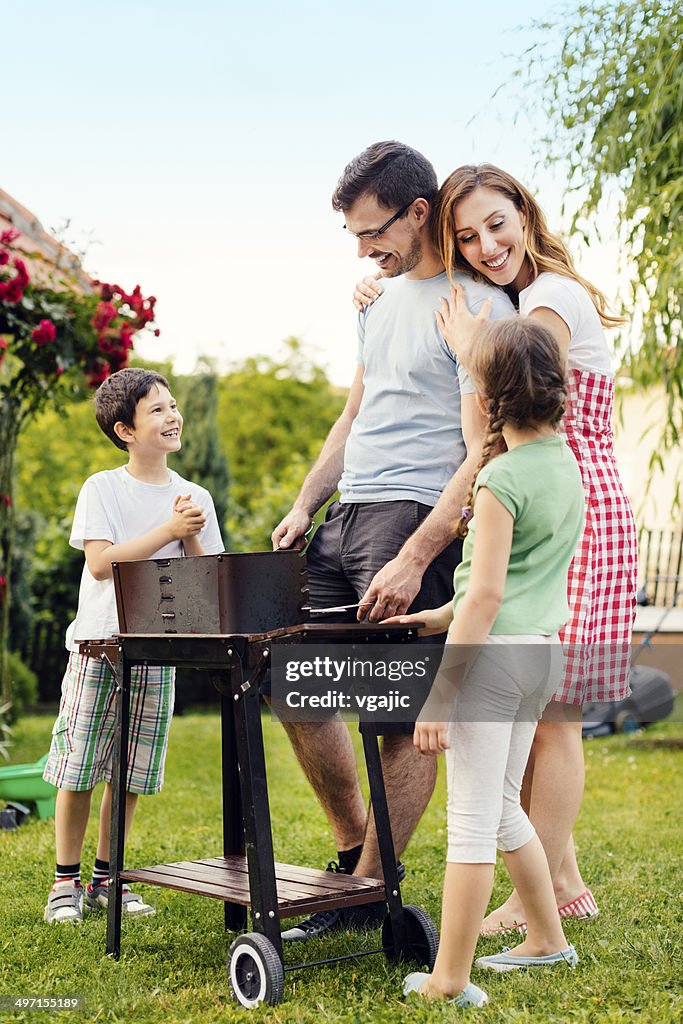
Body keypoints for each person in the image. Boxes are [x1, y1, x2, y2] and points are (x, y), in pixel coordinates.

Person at [271, 141, 514, 941]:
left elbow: (484, 449)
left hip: (412, 516)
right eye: (352, 237)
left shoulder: (478, 307)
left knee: (397, 711)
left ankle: (375, 886)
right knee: (291, 683)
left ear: (417, 213)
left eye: (372, 231)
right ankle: (351, 859)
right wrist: (308, 502)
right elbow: (355, 414)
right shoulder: (375, 302)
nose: (362, 250)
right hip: (346, 515)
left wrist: (418, 553)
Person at [432, 164, 638, 933]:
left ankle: (532, 901)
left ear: (524, 211)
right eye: (466, 237)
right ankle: (561, 881)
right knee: (536, 707)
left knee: (553, 714)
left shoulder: (548, 299)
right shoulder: (521, 300)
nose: (486, 246)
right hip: (556, 506)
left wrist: (464, 351)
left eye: (496, 222)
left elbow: (494, 412)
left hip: (568, 509)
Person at [391, 315, 584, 1008]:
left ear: (488, 394)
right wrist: (440, 613)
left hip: (492, 662)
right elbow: (518, 578)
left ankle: (447, 980)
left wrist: (442, 694)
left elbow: (489, 594)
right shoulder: (564, 464)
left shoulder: (500, 477)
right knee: (504, 808)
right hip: (537, 656)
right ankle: (545, 938)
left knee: (471, 822)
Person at [42, 367, 224, 924]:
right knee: (79, 768)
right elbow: (101, 563)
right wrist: (167, 532)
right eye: (158, 410)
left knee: (130, 773)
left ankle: (108, 879)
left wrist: (188, 530)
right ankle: (64, 883)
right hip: (101, 649)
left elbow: (208, 577)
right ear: (126, 429)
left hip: (156, 651)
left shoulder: (193, 495)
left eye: (173, 407)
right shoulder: (103, 488)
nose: (173, 417)